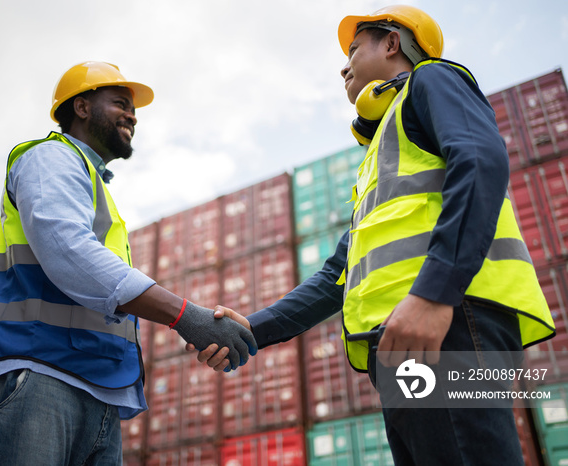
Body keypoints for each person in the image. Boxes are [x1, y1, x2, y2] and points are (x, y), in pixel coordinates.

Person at [191, 6, 556, 465]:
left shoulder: (432, 80)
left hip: (450, 321)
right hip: (404, 340)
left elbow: (481, 161)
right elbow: (336, 277)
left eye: (353, 49)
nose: (343, 65)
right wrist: (252, 330)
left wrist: (434, 296)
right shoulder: (383, 148)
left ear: (391, 44)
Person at [0, 61, 257, 465]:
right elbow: (69, 252)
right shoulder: (49, 158)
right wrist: (185, 315)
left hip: (96, 392)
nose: (132, 115)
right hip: (34, 375)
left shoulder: (96, 190)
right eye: (120, 103)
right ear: (81, 107)